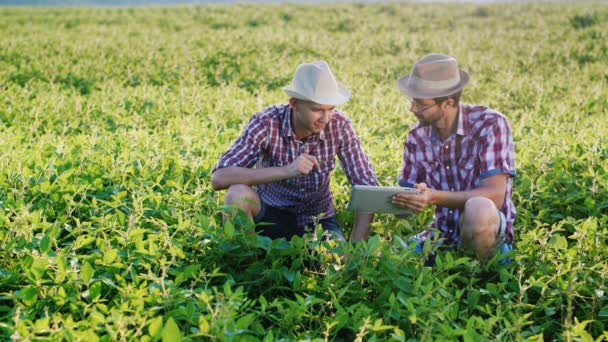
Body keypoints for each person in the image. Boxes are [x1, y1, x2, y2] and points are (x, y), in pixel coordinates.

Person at [211, 61, 378, 242]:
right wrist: (287, 171)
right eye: (317, 109)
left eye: (330, 109)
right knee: (237, 195)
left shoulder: (339, 125)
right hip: (270, 215)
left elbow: (367, 187)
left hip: (318, 221)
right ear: (294, 104)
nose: (325, 118)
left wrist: (355, 254)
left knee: (337, 261)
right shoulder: (267, 122)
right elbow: (219, 178)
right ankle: (249, 265)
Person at [385, 54, 515, 262]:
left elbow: (494, 195)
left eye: (420, 104)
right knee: (390, 260)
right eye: (412, 101)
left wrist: (434, 196)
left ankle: (479, 279)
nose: (413, 109)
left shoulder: (490, 124)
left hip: (489, 237)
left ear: (447, 103)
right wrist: (406, 201)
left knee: (478, 209)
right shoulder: (416, 137)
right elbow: (404, 205)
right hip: (440, 236)